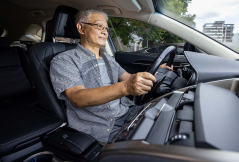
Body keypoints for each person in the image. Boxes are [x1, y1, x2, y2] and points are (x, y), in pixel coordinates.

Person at [50, 9, 173, 143]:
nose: (105, 32)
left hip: (126, 111)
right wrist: (126, 88)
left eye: (106, 28)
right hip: (100, 126)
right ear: (81, 28)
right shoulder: (64, 60)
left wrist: (153, 71)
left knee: (168, 115)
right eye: (98, 26)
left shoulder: (107, 58)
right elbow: (78, 97)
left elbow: (128, 78)